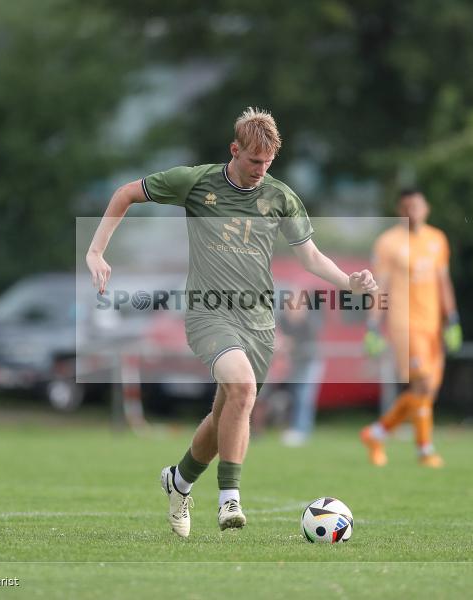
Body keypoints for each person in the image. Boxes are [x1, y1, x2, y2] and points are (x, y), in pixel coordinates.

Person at [85, 107, 377, 538]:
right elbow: (127, 192)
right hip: (209, 313)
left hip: (258, 323)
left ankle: (179, 481)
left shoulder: (280, 197)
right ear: (234, 149)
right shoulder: (196, 181)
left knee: (227, 412)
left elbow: (310, 256)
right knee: (242, 388)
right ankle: (229, 501)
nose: (261, 170)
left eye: (268, 163)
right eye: (253, 160)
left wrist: (348, 282)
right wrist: (96, 251)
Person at [360, 189, 461, 468]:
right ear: (399, 210)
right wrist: (373, 325)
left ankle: (375, 433)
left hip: (434, 326)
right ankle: (425, 450)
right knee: (423, 384)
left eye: (417, 205)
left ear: (426, 208)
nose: (413, 211)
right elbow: (378, 287)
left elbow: (444, 281)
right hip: (405, 324)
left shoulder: (437, 239)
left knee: (426, 394)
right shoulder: (388, 243)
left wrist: (452, 319)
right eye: (407, 206)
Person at [277, 294, 325, 447]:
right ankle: (295, 429)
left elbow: (306, 344)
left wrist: (290, 344)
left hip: (311, 363)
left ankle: (302, 430)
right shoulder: (283, 320)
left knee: (304, 397)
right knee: (296, 395)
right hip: (295, 364)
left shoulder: (309, 323)